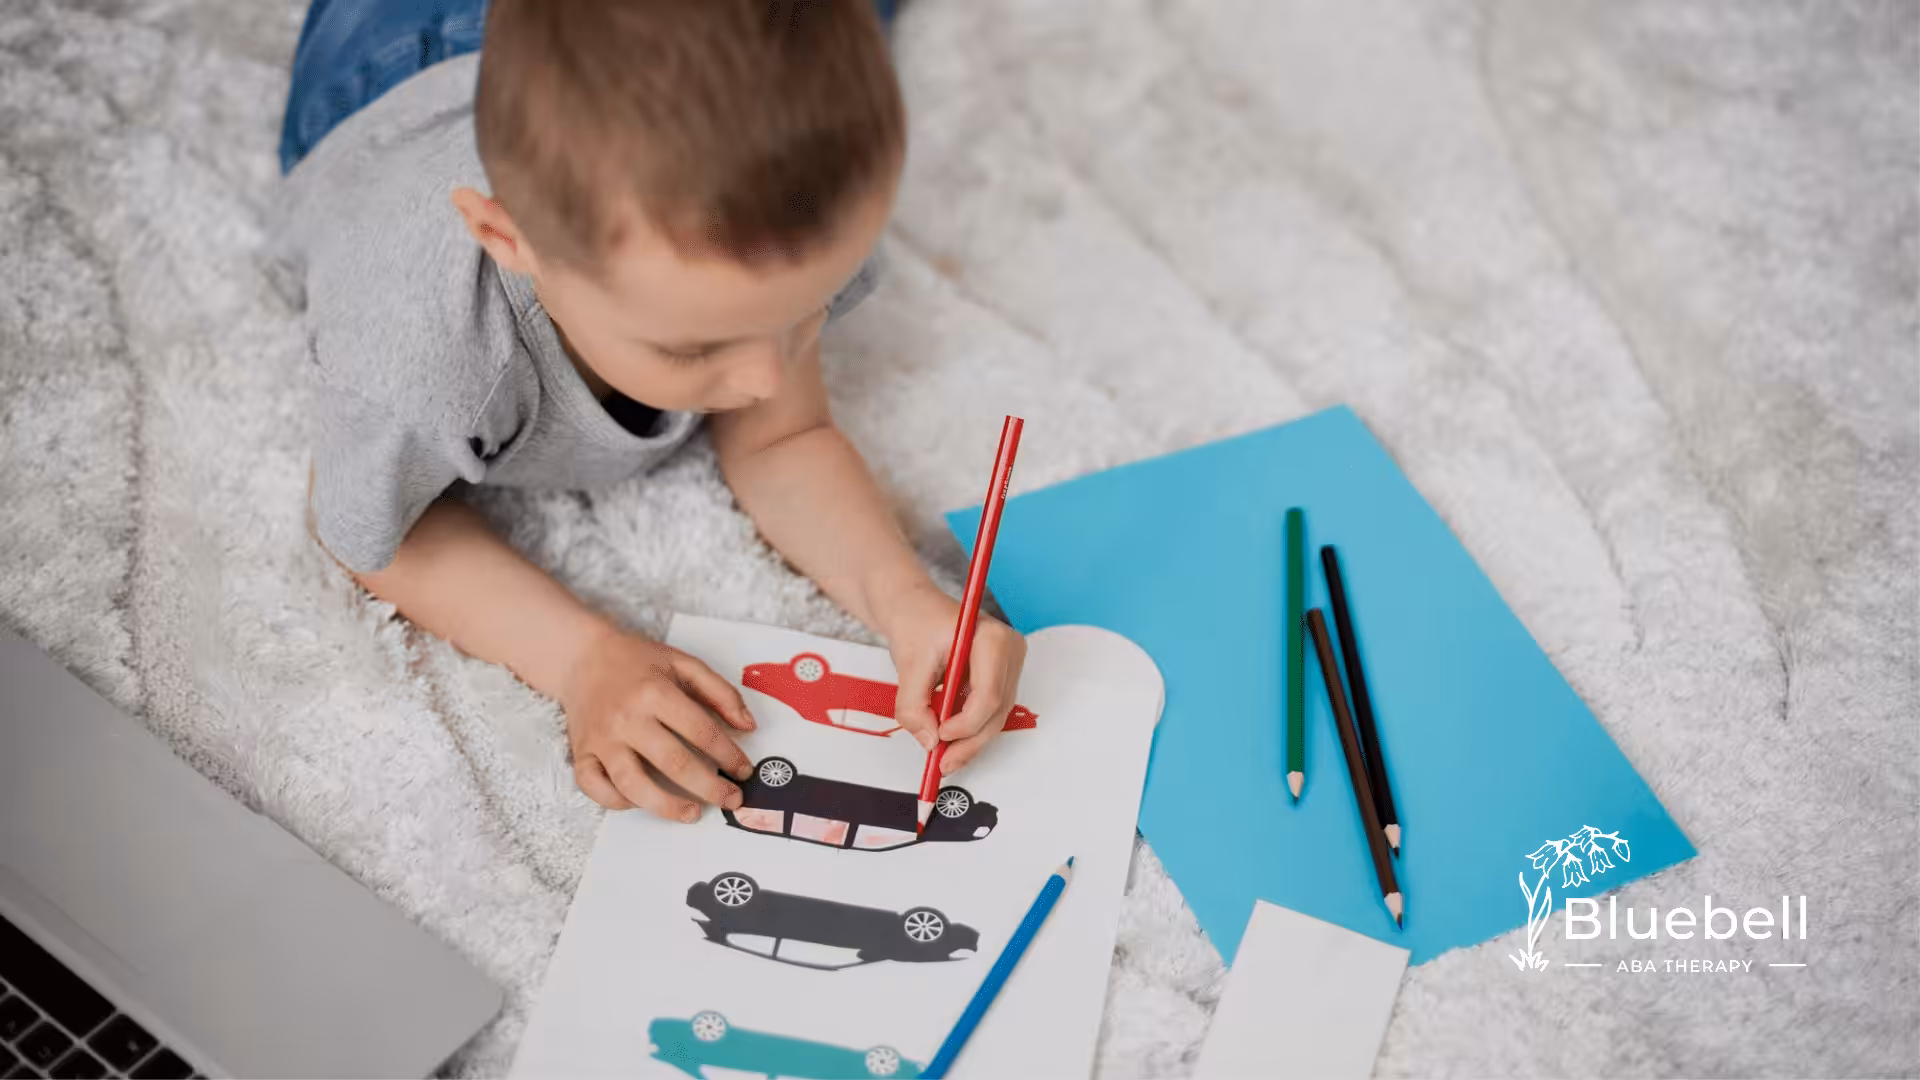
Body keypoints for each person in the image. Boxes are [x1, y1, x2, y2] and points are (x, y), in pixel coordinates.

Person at [265, 0, 1025, 823]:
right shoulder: (416, 344)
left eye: (806, 311)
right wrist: (580, 659)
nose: (768, 381)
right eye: (695, 350)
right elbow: (375, 536)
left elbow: (786, 438)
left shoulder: (798, 210)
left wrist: (904, 599)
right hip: (395, 52)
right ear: (511, 242)